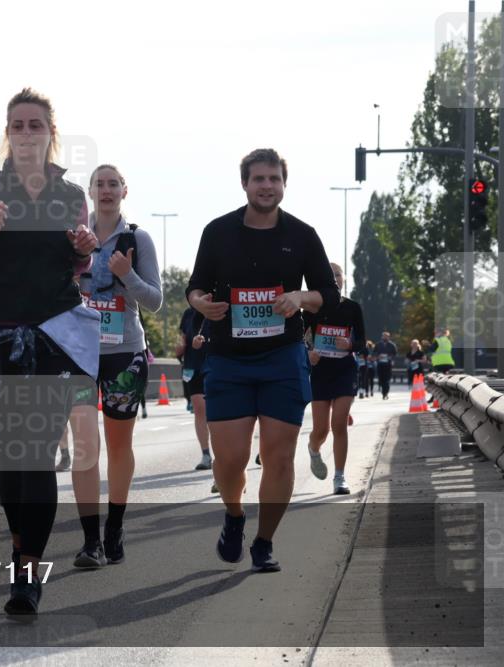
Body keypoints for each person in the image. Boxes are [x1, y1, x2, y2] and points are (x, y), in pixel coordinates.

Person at [0, 88, 99, 617]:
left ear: (51, 133)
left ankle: (27, 573)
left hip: (53, 336)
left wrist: (82, 251)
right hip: (1, 337)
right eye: (17, 125)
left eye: (36, 125)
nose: (26, 134)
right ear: (6, 133)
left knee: (35, 457)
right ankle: (19, 547)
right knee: (15, 460)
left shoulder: (70, 194)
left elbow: (74, 267)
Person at [185, 148, 339, 573]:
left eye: (274, 178)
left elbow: (329, 292)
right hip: (229, 361)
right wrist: (204, 303)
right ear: (245, 184)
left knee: (279, 457)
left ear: (284, 184)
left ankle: (265, 541)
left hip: (282, 359)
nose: (267, 186)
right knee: (229, 461)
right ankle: (234, 514)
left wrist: (299, 297)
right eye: (259, 179)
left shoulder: (303, 235)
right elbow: (195, 287)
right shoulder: (217, 232)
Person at [71, 164, 162, 568]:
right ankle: (91, 540)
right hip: (79, 354)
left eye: (113, 184)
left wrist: (127, 278)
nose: (106, 191)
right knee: (85, 447)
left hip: (124, 353)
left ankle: (115, 526)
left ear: (124, 191)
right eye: (99, 184)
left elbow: (156, 300)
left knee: (119, 447)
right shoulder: (74, 236)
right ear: (89, 192)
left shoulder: (137, 239)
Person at [304, 263, 365, 495]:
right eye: (329, 275)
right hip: (321, 371)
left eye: (338, 274)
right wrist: (308, 354)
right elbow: (300, 340)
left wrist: (350, 344)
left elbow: (362, 343)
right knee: (321, 430)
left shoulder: (352, 308)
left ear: (343, 280)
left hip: (345, 370)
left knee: (339, 423)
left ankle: (340, 477)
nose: (334, 278)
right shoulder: (311, 310)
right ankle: (313, 449)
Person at [179, 307, 211, 472]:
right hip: (193, 367)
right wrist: (180, 346)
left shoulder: (221, 305)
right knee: (200, 409)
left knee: (218, 411)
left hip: (217, 364)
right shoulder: (188, 314)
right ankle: (206, 454)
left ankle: (223, 455)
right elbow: (182, 338)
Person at [374, 331, 397, 399]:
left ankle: (385, 393)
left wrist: (389, 357)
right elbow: (374, 353)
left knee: (386, 379)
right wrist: (378, 356)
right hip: (380, 364)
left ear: (389, 337)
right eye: (384, 336)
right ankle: (383, 390)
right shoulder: (378, 344)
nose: (385, 337)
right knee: (381, 379)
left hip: (387, 364)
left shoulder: (392, 345)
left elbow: (395, 354)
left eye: (386, 336)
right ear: (382, 337)